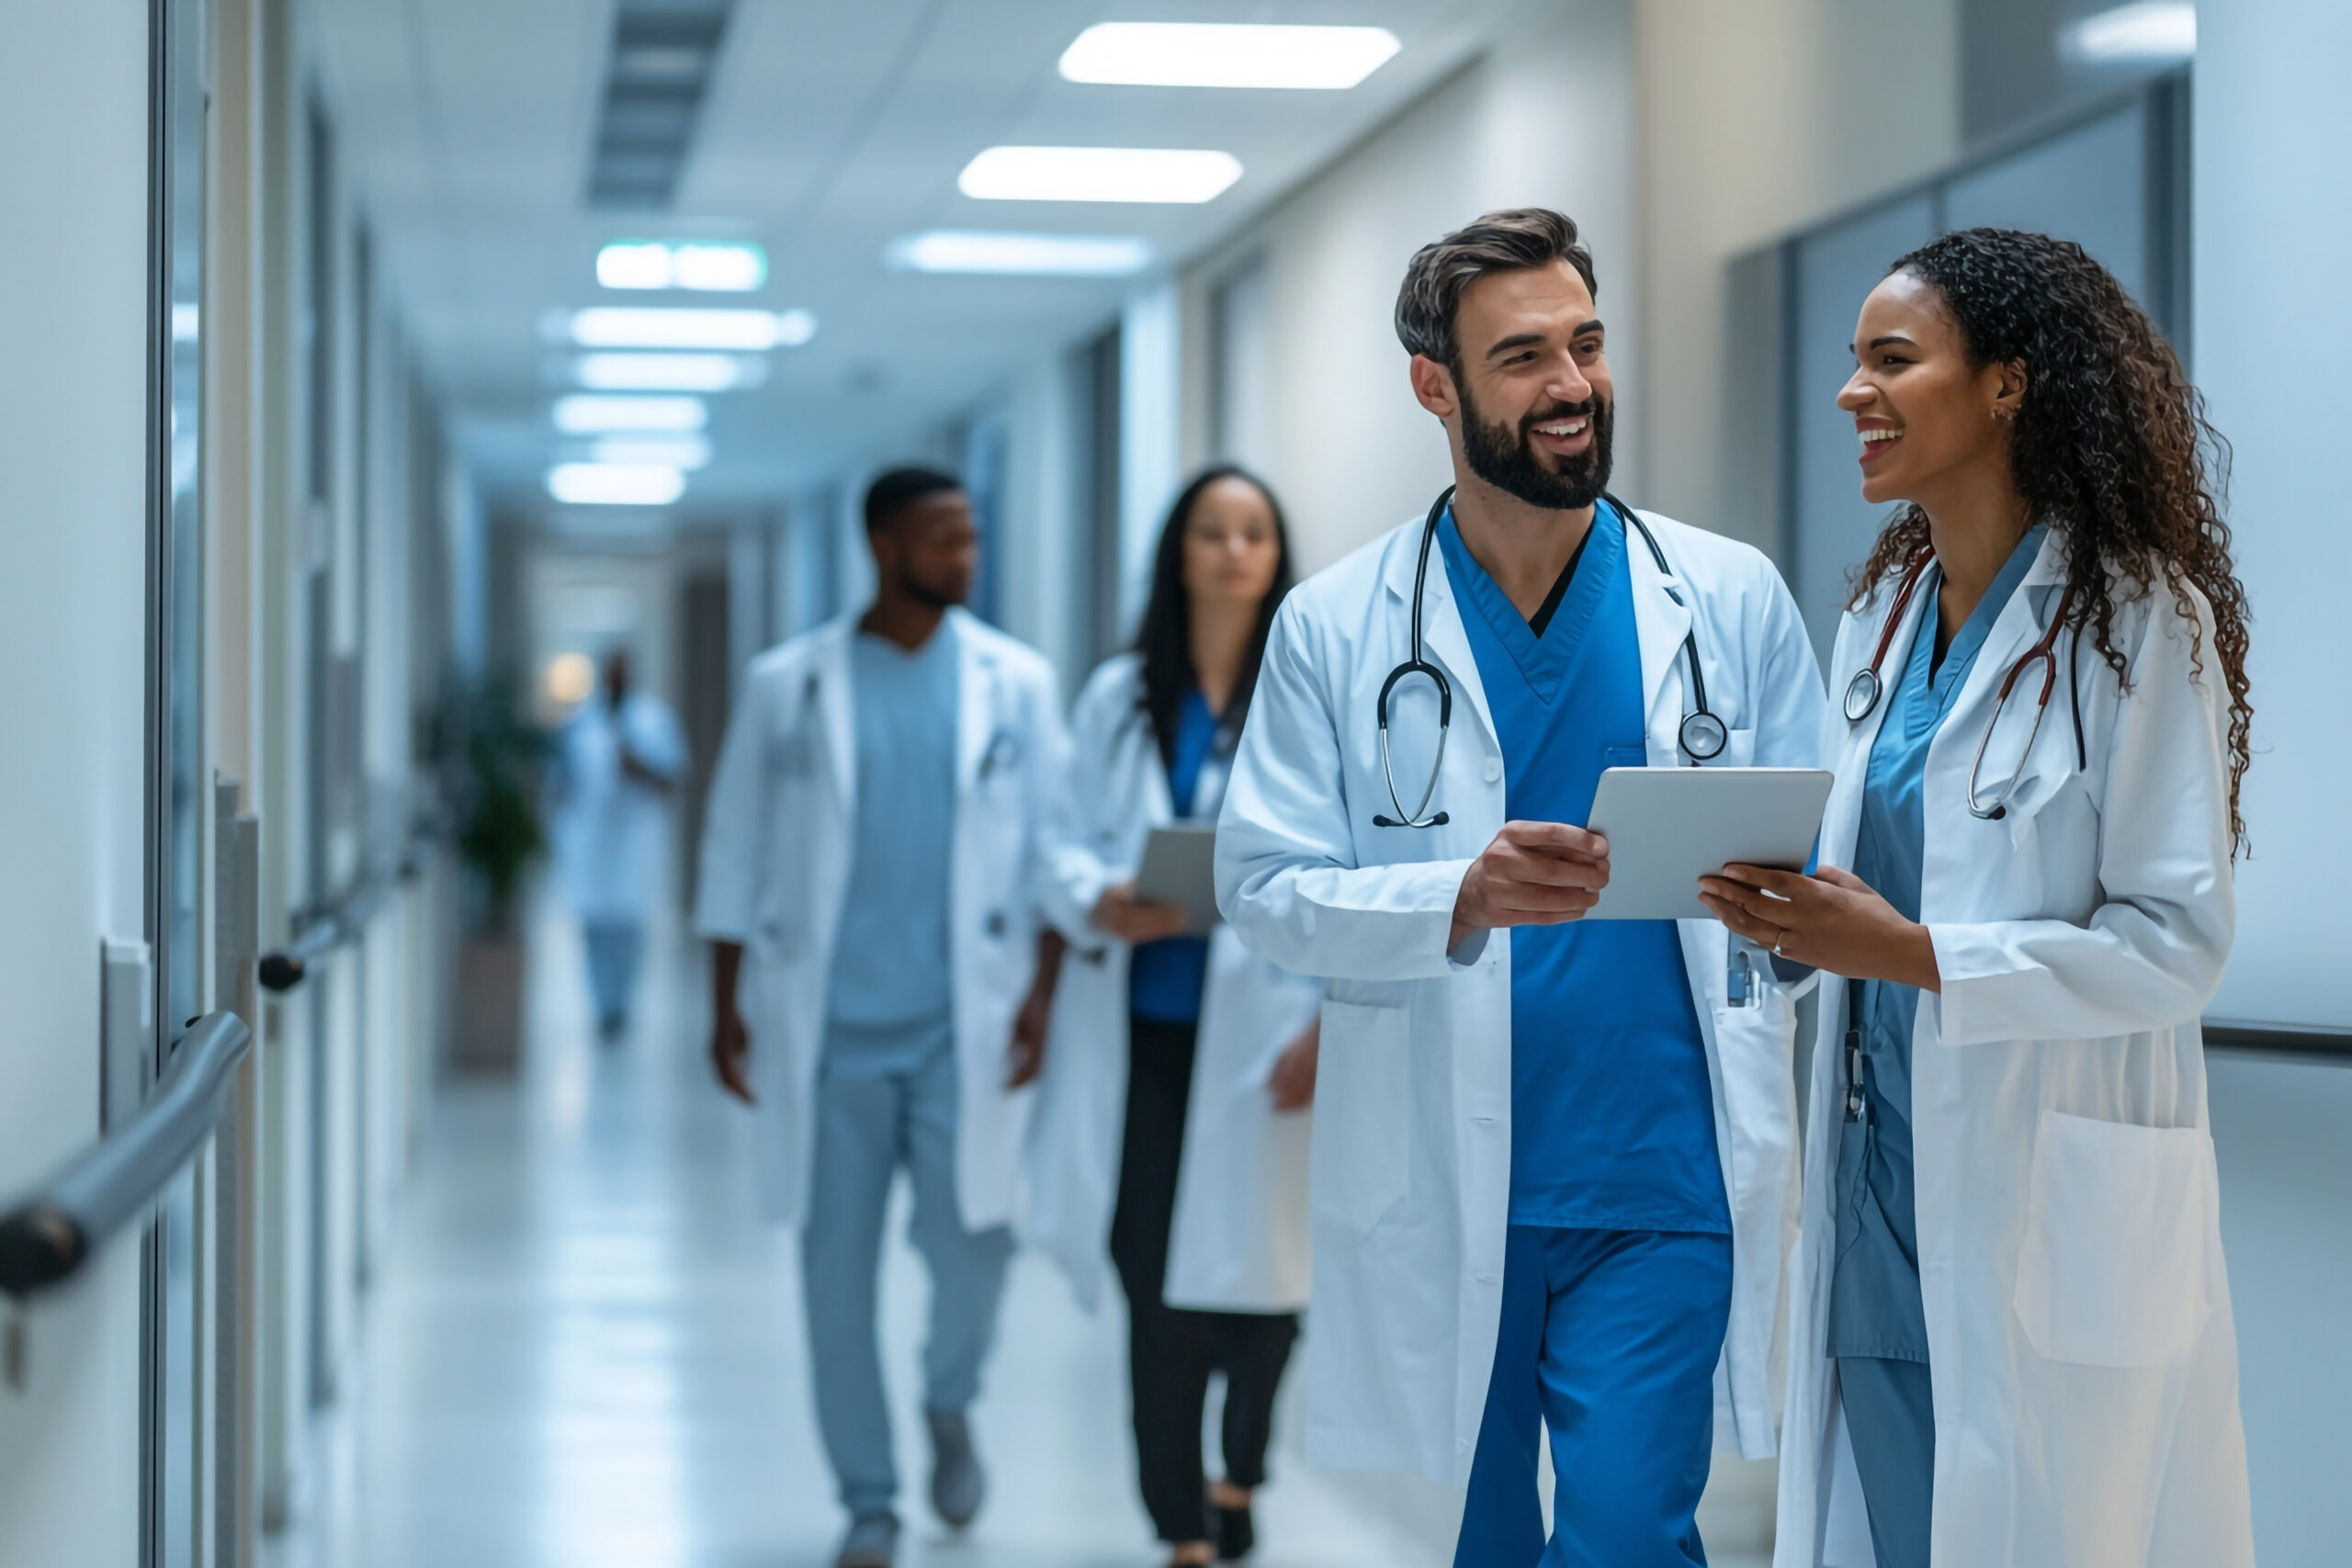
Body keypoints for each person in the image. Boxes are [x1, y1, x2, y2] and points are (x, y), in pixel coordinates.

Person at [1214, 208, 1826, 1565]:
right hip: (1444, 1170)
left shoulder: (1725, 596)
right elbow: (1262, 883)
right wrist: (1455, 895)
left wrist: (1793, 921)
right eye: (1524, 356)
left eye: (1588, 344)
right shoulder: (1336, 623)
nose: (1571, 384)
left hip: (1662, 1172)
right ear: (1436, 385)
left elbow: (1817, 864)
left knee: (1622, 1534)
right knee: (1484, 1543)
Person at [1700, 228, 2256, 1568]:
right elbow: (1872, 895)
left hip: (2043, 1200)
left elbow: (2175, 943)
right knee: (1895, 1525)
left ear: (2008, 383)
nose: (1853, 393)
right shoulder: (1878, 628)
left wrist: (1918, 952)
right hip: (1880, 1195)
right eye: (1851, 364)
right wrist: (1785, 928)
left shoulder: (2138, 620)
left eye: (1892, 359)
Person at [694, 467, 1069, 1568]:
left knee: (977, 1252)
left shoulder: (1017, 684)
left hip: (965, 1028)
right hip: (831, 1040)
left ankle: (949, 1398)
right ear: (882, 543)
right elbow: (732, 852)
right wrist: (726, 1009)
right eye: (942, 539)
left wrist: (1042, 995)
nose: (965, 556)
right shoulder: (789, 685)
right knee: (833, 1278)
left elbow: (1053, 852)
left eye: (971, 538)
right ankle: (867, 1497)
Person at [1026, 467, 1321, 1568]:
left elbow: (1347, 863)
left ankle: (1239, 1468)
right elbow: (1055, 842)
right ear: (1178, 552)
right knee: (1153, 1286)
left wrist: (1328, 1022)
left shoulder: (1305, 690)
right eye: (1212, 531)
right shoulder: (1117, 697)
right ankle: (1181, 1528)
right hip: (1140, 1032)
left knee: (1264, 1285)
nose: (1234, 550)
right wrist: (1096, 899)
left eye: (1254, 531)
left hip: (1264, 1029)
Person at [551, 647, 686, 1039]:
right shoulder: (578, 722)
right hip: (589, 843)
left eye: (623, 674)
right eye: (612, 673)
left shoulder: (655, 718)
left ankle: (621, 1005)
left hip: (635, 843)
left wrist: (639, 768)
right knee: (593, 930)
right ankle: (602, 1007)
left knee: (629, 931)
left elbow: (674, 779)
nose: (617, 680)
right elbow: (559, 781)